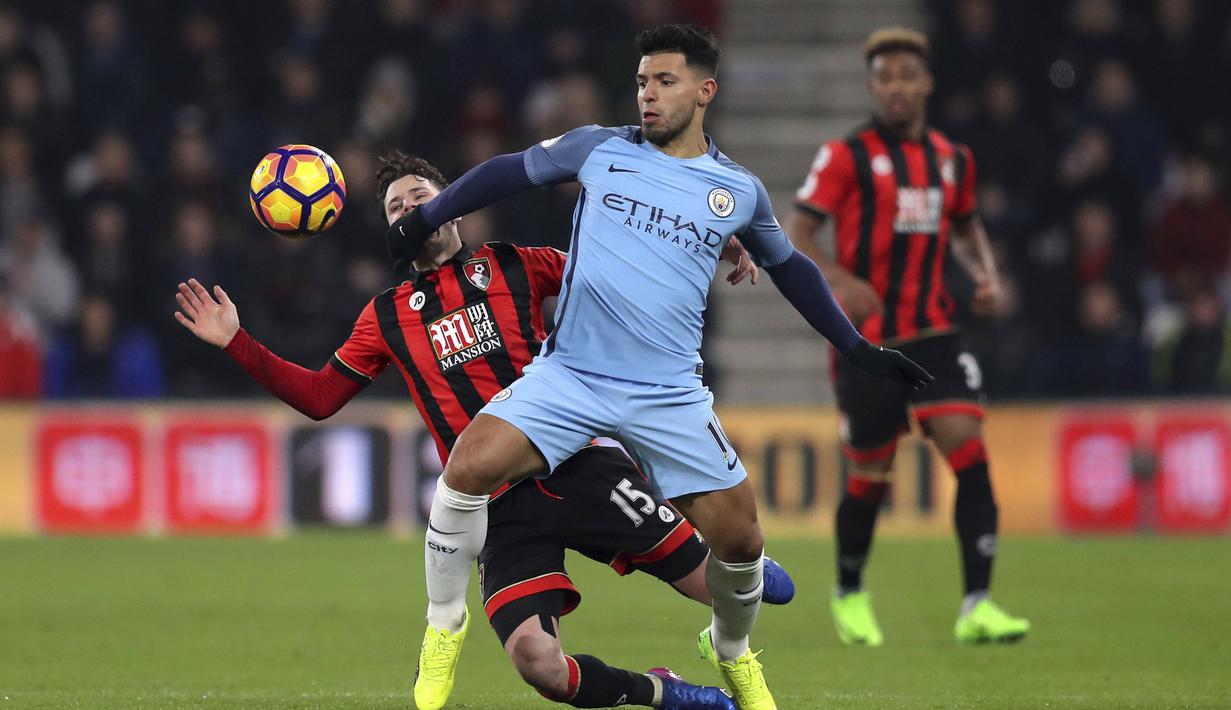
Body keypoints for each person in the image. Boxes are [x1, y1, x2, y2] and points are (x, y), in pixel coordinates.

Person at [385, 24, 930, 710]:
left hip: (668, 392)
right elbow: (505, 170)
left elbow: (790, 269)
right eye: (643, 80)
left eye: (665, 81)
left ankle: (729, 651)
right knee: (466, 468)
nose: (648, 93)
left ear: (704, 92)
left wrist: (856, 347)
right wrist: (430, 212)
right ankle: (442, 630)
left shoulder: (735, 191)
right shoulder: (598, 148)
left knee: (740, 542)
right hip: (572, 376)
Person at [174, 151, 798, 710]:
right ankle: (660, 691)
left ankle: (741, 578)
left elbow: (619, 267)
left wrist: (716, 243)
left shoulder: (517, 265)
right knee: (540, 667)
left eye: (421, 197)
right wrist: (237, 342)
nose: (409, 209)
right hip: (494, 510)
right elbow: (318, 397)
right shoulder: (386, 316)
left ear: (455, 208)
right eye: (396, 205)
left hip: (581, 469)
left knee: (721, 593)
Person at [784, 28, 1030, 646]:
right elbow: (797, 232)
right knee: (870, 478)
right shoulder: (846, 157)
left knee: (970, 456)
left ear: (926, 84)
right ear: (873, 88)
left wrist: (986, 275)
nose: (896, 86)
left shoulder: (953, 159)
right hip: (868, 344)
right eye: (884, 77)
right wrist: (840, 280)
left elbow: (968, 227)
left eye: (906, 76)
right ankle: (849, 592)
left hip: (936, 333)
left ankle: (977, 603)